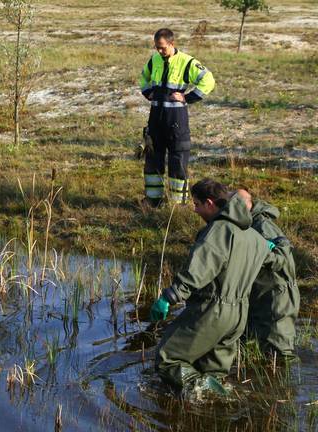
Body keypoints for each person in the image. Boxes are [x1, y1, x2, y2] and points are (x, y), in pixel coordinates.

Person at [149, 179, 290, 393]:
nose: (195, 210)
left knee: (167, 360)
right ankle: (216, 400)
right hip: (239, 317)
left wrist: (168, 298)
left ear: (209, 203)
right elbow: (278, 261)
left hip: (212, 311)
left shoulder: (219, 230)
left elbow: (197, 271)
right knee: (213, 370)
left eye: (196, 204)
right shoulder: (254, 235)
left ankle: (201, 389)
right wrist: (278, 244)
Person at [139, 29, 216, 207]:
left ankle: (177, 205)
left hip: (176, 121)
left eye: (162, 48)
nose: (159, 51)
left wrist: (188, 98)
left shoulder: (187, 62)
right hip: (155, 120)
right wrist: (147, 92)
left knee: (178, 162)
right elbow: (144, 77)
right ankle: (153, 200)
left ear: (172, 44)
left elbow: (208, 80)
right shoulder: (154, 59)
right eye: (157, 47)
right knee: (152, 161)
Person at [237, 189, 299, 359]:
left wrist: (261, 250)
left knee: (279, 355)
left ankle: (282, 384)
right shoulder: (248, 225)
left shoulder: (263, 226)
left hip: (277, 297)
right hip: (262, 295)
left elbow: (282, 258)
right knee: (258, 347)